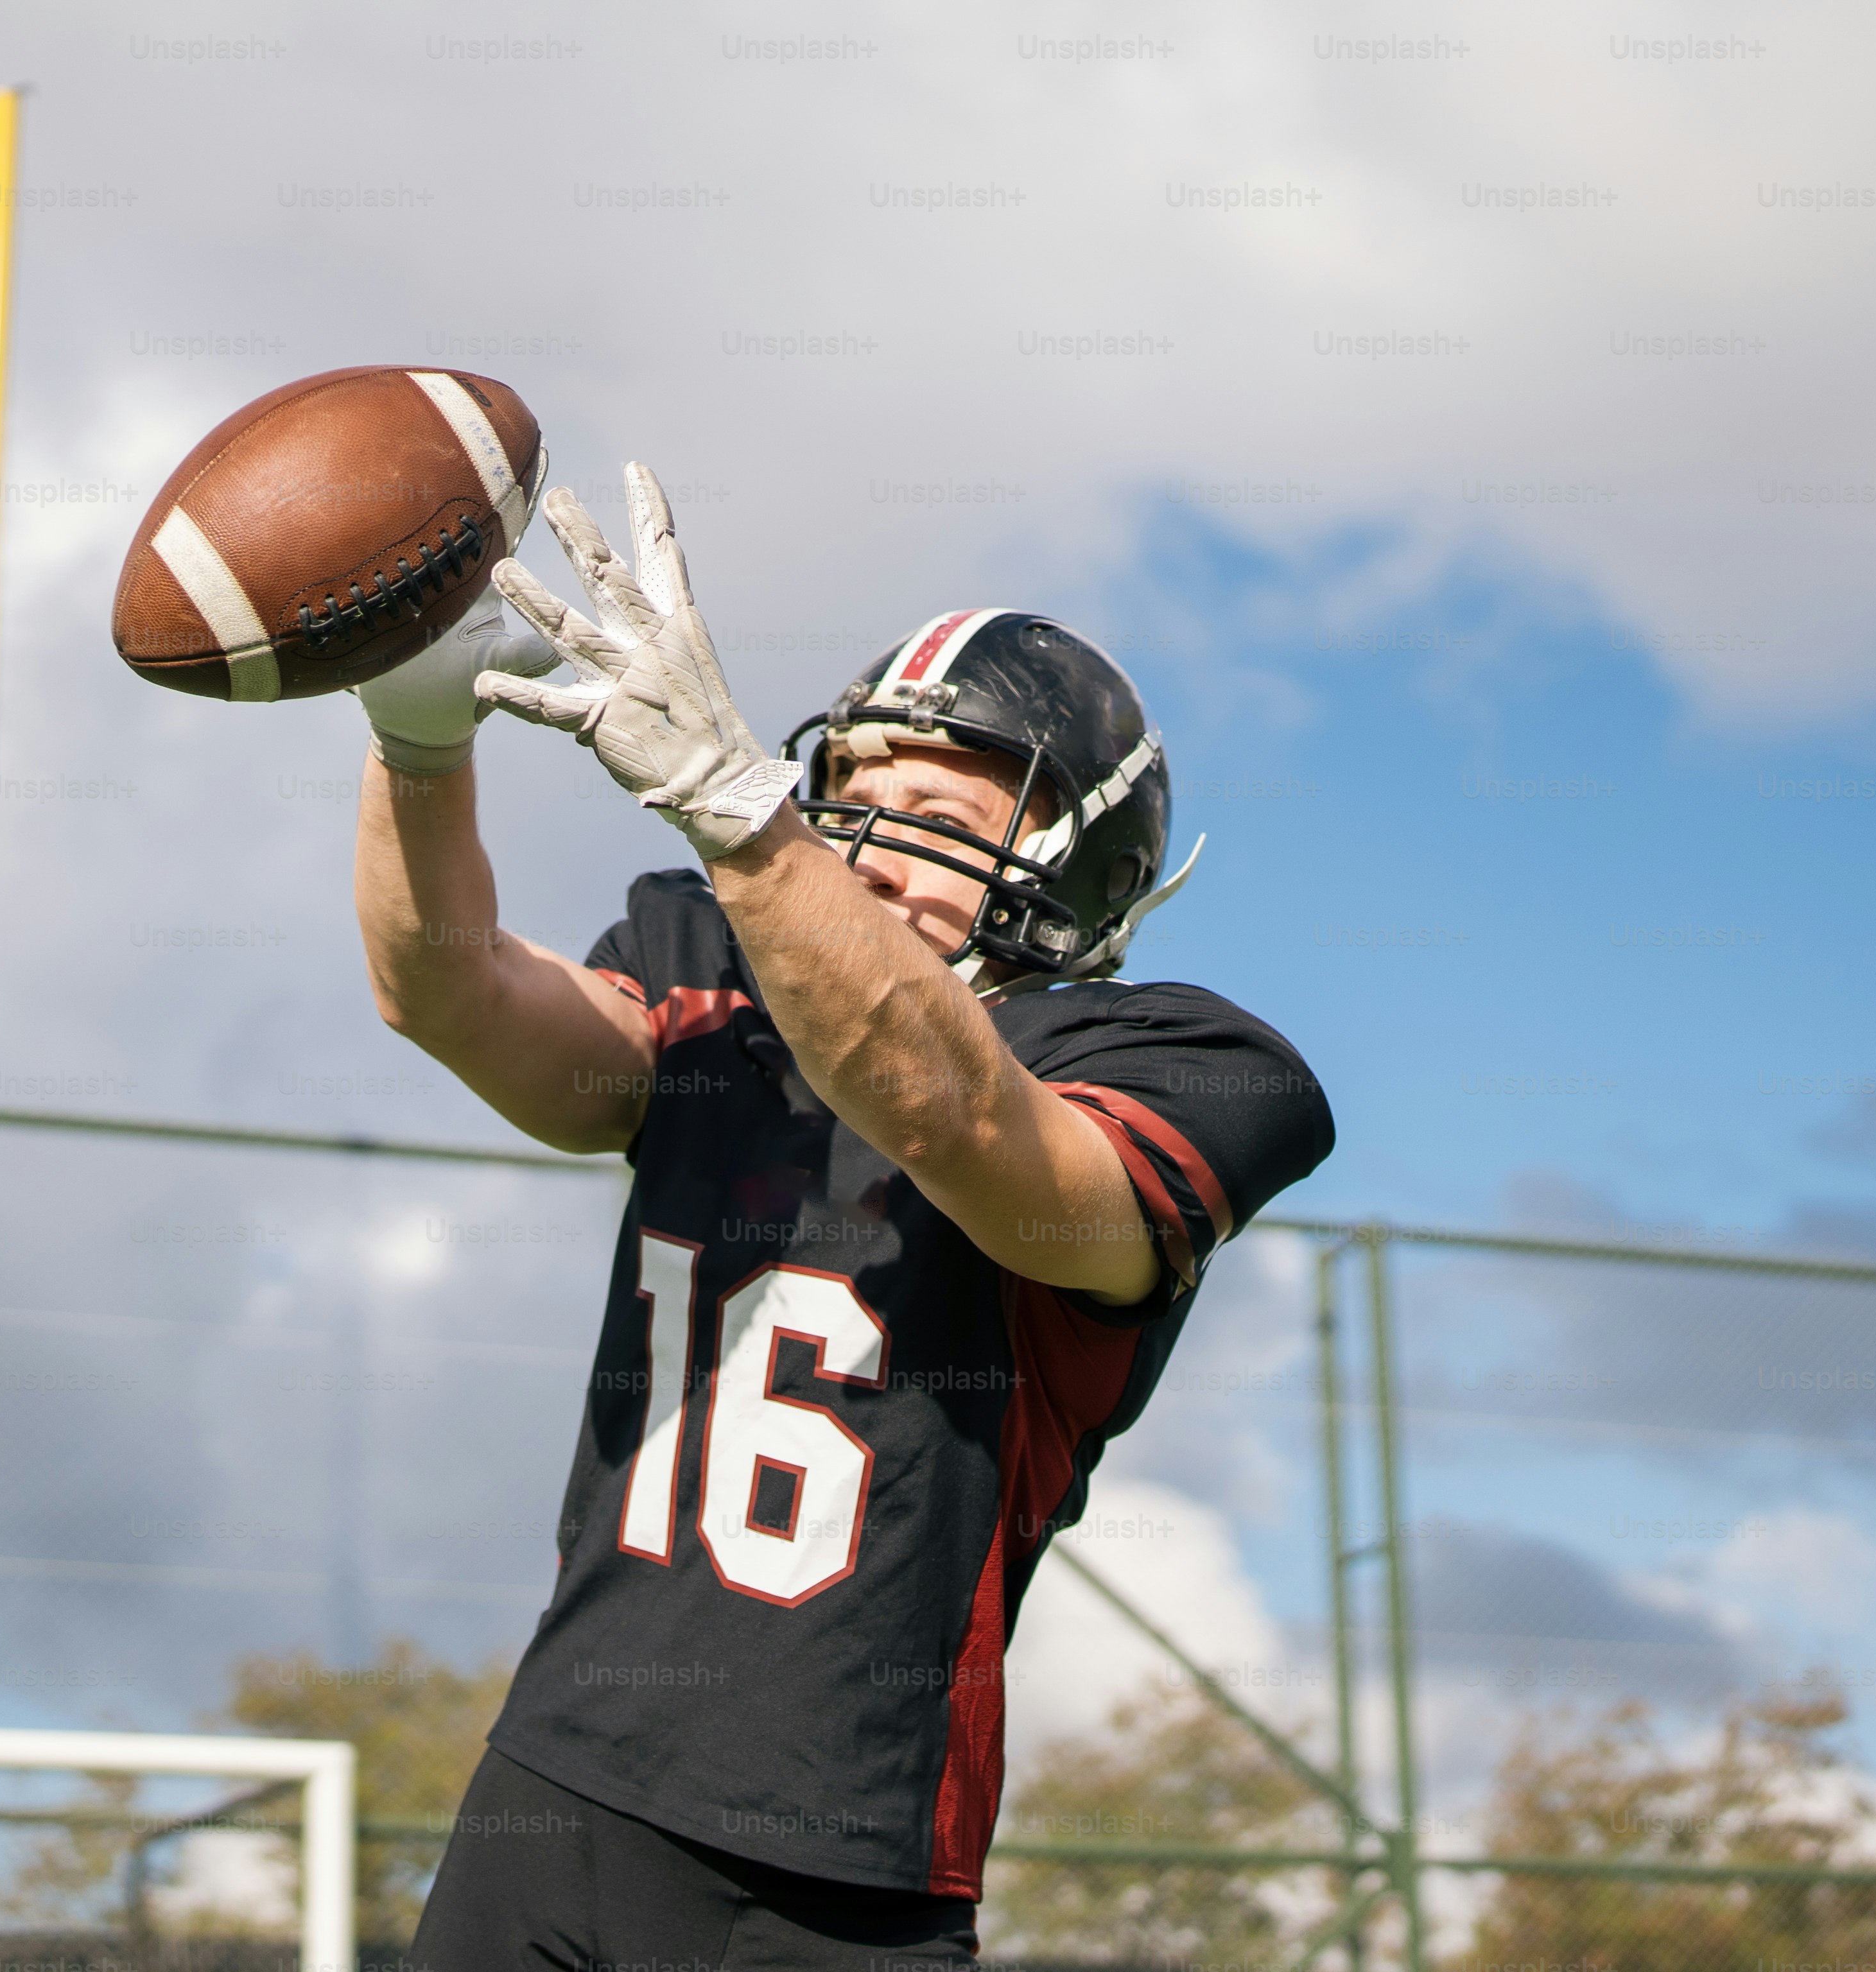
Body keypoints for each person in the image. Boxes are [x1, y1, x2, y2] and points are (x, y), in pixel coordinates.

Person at [347, 463, 1334, 1968]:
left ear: (1078, 866)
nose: (867, 844)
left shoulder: (1186, 1065)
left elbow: (953, 1114)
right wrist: (418, 742)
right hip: (559, 1779)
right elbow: (456, 996)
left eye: (930, 811)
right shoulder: (710, 964)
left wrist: (750, 828)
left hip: (841, 1863)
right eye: (847, 799)